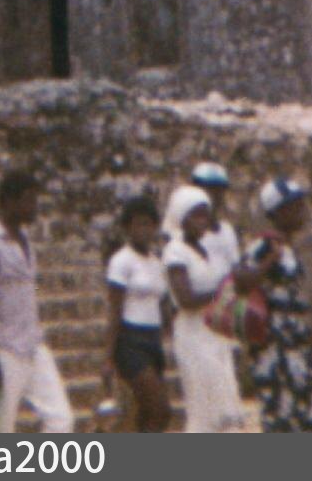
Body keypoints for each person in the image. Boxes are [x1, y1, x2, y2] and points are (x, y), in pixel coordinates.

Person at [0, 168, 75, 435]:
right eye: (28, 200)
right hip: (5, 349)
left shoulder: (25, 240)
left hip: (33, 345)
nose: (34, 207)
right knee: (0, 429)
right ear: (8, 202)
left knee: (61, 420)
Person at [244, 177, 312, 432]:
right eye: (294, 206)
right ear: (278, 212)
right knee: (285, 414)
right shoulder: (265, 246)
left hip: (295, 342)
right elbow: (242, 280)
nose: (302, 211)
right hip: (276, 344)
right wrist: (269, 261)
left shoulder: (286, 247)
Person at [163, 189, 249, 433]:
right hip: (194, 334)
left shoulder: (205, 250)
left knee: (225, 399)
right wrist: (224, 290)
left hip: (216, 331)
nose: (203, 221)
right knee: (204, 405)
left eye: (205, 215)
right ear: (182, 219)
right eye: (197, 216)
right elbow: (186, 299)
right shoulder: (175, 251)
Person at [104, 195, 173, 432]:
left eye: (149, 224)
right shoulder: (121, 261)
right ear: (128, 227)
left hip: (152, 339)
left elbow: (162, 303)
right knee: (160, 408)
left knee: (146, 412)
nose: (145, 230)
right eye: (139, 224)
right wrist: (108, 357)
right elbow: (115, 310)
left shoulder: (157, 263)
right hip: (130, 340)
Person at [187, 161, 244, 284]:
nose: (214, 195)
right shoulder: (183, 232)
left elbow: (235, 268)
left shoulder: (227, 230)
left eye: (219, 190)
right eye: (209, 189)